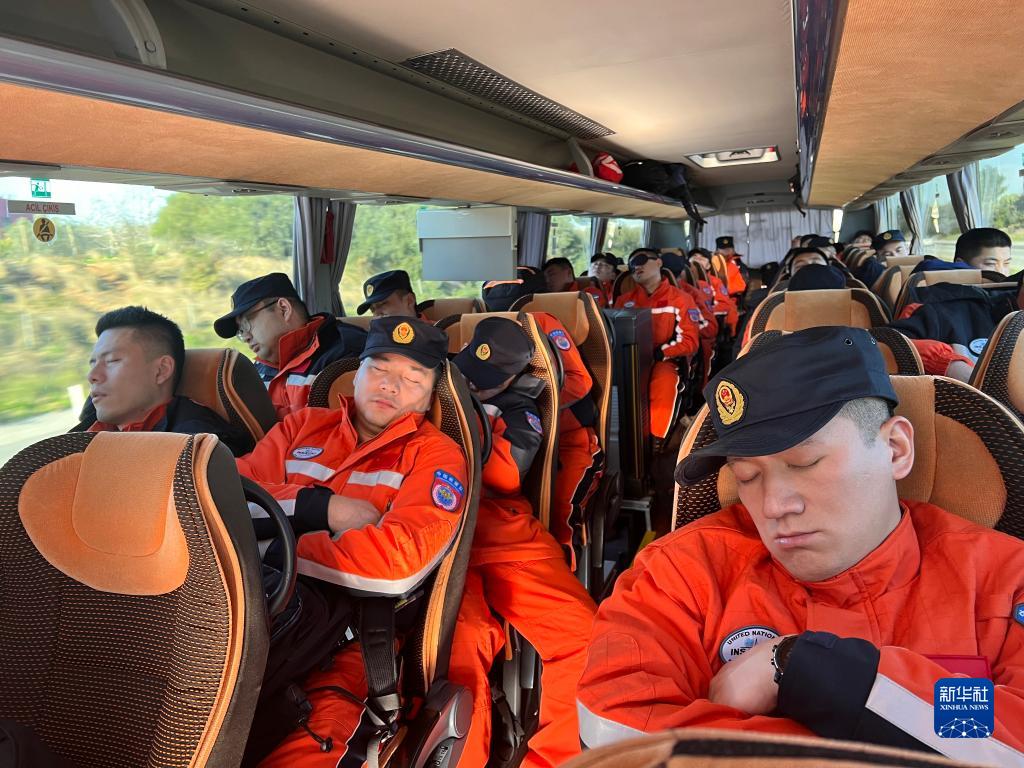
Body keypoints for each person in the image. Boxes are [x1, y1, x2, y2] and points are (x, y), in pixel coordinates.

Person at [577, 326, 1024, 761]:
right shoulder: (678, 573)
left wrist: (802, 667)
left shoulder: (1006, 578)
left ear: (895, 449)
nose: (774, 505)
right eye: (747, 476)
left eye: (805, 463)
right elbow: (617, 740)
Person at [238, 316, 478, 766]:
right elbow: (226, 496)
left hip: (354, 640)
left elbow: (394, 565)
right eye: (379, 368)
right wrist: (322, 509)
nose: (390, 385)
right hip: (249, 606)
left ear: (430, 397)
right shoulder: (300, 426)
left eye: (413, 378)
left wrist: (271, 547)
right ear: (357, 373)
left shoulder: (436, 455)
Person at [450, 317, 597, 768]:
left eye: (488, 380)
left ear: (513, 378)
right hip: (435, 536)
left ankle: (555, 759)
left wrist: (466, 418)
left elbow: (506, 474)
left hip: (500, 535)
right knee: (464, 645)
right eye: (469, 372)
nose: (475, 384)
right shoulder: (430, 382)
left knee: (585, 637)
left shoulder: (521, 410)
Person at [86, 306, 251, 455]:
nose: (92, 375)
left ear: (161, 370)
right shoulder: (89, 434)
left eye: (112, 360)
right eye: (92, 363)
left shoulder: (197, 450)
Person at [215, 272, 367, 419]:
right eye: (241, 331)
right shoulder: (257, 370)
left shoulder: (346, 353)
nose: (246, 337)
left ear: (284, 309)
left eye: (247, 324)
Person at [614, 249, 701, 443]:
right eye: (631, 264)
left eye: (642, 260)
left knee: (664, 382)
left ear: (659, 263)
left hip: (664, 360)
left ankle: (656, 441)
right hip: (628, 361)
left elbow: (690, 341)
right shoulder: (623, 301)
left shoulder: (680, 299)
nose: (636, 266)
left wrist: (661, 353)